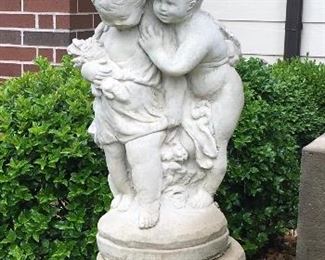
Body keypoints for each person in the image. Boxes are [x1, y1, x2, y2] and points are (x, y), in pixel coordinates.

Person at [69, 0, 168, 229]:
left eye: (122, 18)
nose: (115, 23)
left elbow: (168, 68)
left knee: (141, 156)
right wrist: (89, 71)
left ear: (142, 6)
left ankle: (149, 202)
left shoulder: (150, 31)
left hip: (140, 108)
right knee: (113, 156)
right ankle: (124, 194)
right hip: (108, 111)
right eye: (107, 17)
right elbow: (87, 59)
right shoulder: (105, 30)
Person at [139, 0, 244, 208]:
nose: (161, 8)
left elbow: (177, 66)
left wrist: (154, 50)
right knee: (183, 143)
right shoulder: (173, 21)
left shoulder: (201, 30)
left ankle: (207, 190)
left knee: (215, 144)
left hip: (222, 93)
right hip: (190, 92)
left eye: (170, 3)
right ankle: (175, 187)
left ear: (191, 5)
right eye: (158, 1)